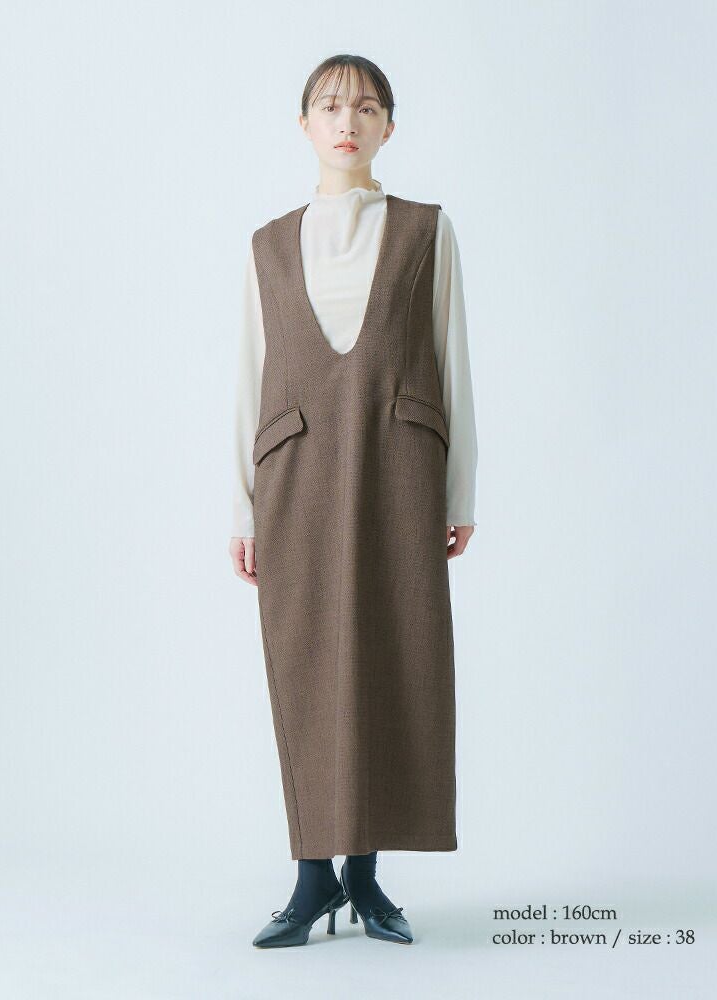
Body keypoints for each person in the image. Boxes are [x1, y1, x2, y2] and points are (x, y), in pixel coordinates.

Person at [229, 54, 478, 948]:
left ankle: (365, 879)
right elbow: (251, 378)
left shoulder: (425, 231)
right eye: (331, 106)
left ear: (388, 128)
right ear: (305, 125)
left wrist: (460, 489)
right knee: (303, 658)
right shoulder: (267, 245)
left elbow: (452, 361)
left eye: (367, 107)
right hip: (295, 472)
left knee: (392, 651)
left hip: (398, 466)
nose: (348, 120)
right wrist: (242, 509)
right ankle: (312, 880)